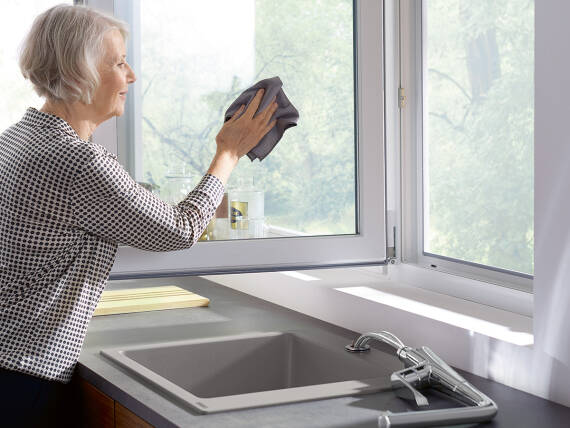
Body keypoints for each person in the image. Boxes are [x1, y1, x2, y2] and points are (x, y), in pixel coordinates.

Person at [0, 4, 277, 427]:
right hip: (21, 371)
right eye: (119, 62)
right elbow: (181, 230)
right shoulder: (78, 162)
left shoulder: (18, 138)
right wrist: (228, 152)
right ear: (81, 72)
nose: (131, 76)